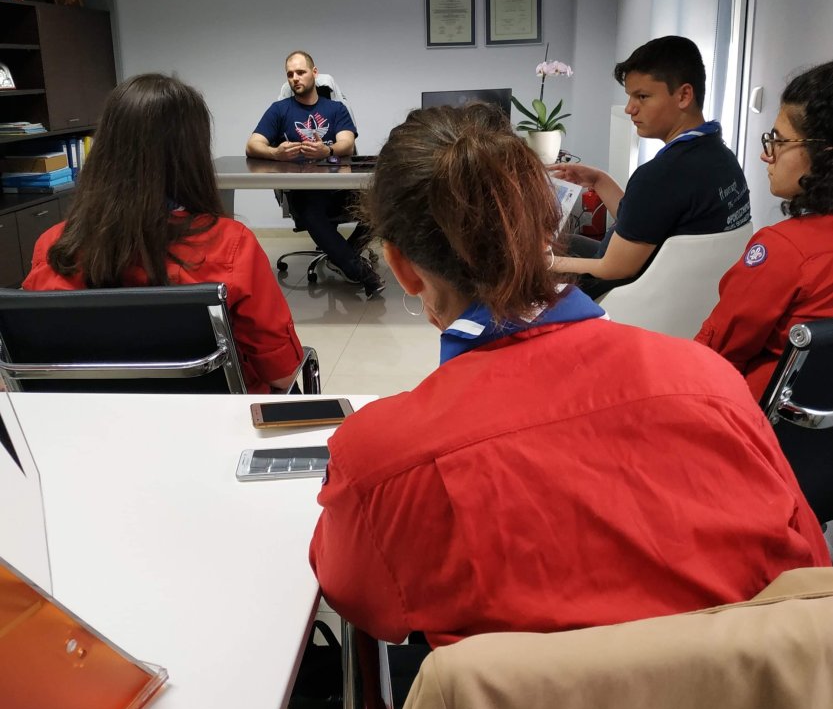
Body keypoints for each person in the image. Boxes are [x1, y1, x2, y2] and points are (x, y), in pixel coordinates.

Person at [309, 102, 828, 649]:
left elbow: (356, 596)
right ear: (546, 229)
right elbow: (810, 575)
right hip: (742, 697)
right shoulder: (715, 386)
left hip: (509, 705)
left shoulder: (380, 461)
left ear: (401, 266)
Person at [24, 73, 303, 393]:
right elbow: (282, 375)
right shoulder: (231, 245)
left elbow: (36, 361)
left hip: (90, 419)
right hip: (210, 419)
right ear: (192, 155)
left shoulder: (54, 246)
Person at [551, 36, 750, 299]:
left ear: (684, 95)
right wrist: (599, 180)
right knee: (568, 242)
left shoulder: (661, 175)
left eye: (642, 97)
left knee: (528, 264)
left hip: (626, 291)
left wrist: (549, 262)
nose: (629, 109)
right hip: (679, 289)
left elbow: (614, 268)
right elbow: (644, 221)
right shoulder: (720, 156)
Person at [696, 62, 833, 399]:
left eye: (779, 141)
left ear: (824, 155)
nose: (765, 155)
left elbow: (717, 352)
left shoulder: (785, 250)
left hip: (752, 419)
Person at [246, 50, 384, 297]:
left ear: (314, 73)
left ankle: (342, 256)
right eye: (290, 74)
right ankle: (361, 273)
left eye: (300, 72)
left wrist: (327, 150)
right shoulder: (279, 110)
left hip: (340, 187)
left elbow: (347, 143)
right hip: (305, 191)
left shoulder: (336, 108)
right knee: (310, 211)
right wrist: (276, 153)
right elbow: (252, 145)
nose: (295, 78)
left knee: (381, 205)